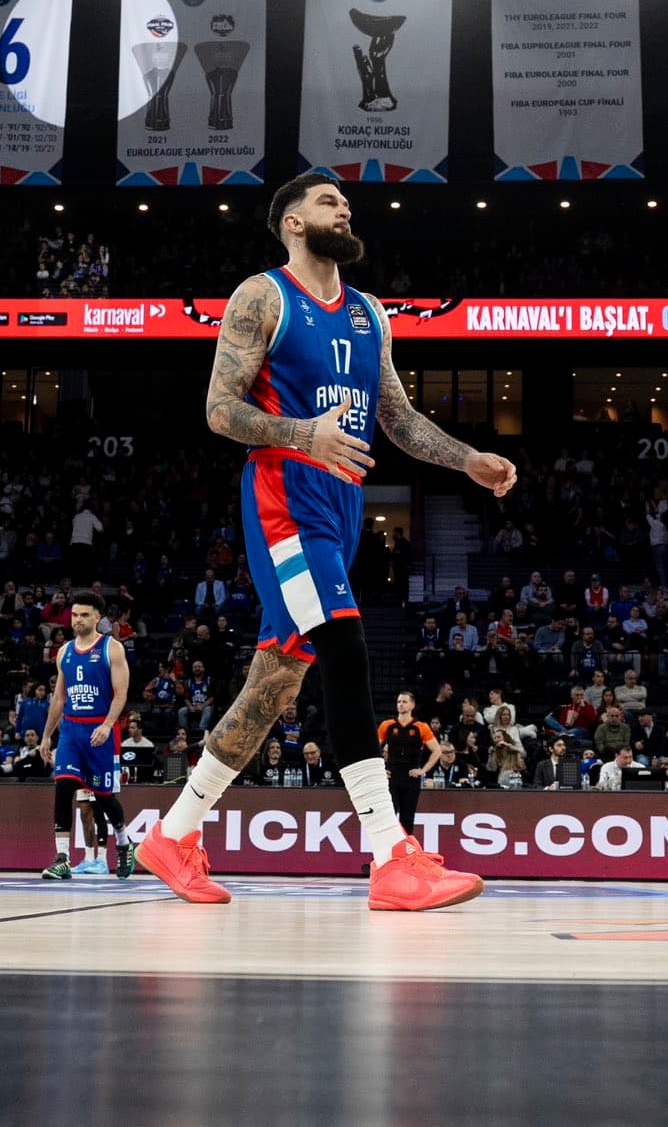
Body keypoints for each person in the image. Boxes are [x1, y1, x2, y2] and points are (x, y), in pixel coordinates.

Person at [136, 174, 515, 912]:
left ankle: (172, 835)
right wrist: (299, 432)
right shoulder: (262, 296)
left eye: (346, 200)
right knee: (346, 647)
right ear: (291, 224)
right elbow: (219, 409)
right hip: (285, 495)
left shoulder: (372, 313)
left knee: (274, 684)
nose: (344, 207)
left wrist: (466, 458)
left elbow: (397, 420)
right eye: (326, 201)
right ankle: (388, 853)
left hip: (342, 506)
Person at [39, 595, 135, 881]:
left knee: (104, 798)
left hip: (100, 731)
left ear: (97, 618)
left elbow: (121, 692)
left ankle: (124, 842)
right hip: (71, 730)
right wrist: (46, 736)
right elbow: (58, 698)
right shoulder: (64, 651)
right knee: (64, 786)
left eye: (83, 615)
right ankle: (62, 858)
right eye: (74, 615)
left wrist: (107, 724)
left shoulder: (112, 648)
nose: (77, 620)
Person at [376, 692, 438, 837]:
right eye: (398, 701)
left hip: (411, 778)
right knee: (389, 818)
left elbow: (437, 750)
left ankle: (405, 855)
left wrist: (423, 770)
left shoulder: (420, 727)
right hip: (392, 776)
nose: (401, 704)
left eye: (404, 701)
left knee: (407, 820)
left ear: (412, 705)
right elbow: (373, 748)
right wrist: (381, 769)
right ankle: (384, 855)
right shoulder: (387, 725)